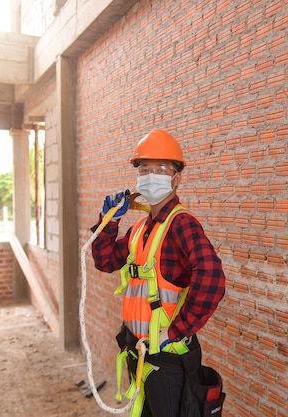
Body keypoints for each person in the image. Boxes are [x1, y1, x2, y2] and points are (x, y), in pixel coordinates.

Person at [91, 129, 226, 417]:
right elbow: (105, 261)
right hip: (139, 353)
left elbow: (213, 280)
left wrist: (175, 332)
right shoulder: (140, 228)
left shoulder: (182, 225)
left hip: (167, 359)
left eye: (160, 170)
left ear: (175, 179)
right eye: (144, 170)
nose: (150, 176)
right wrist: (108, 224)